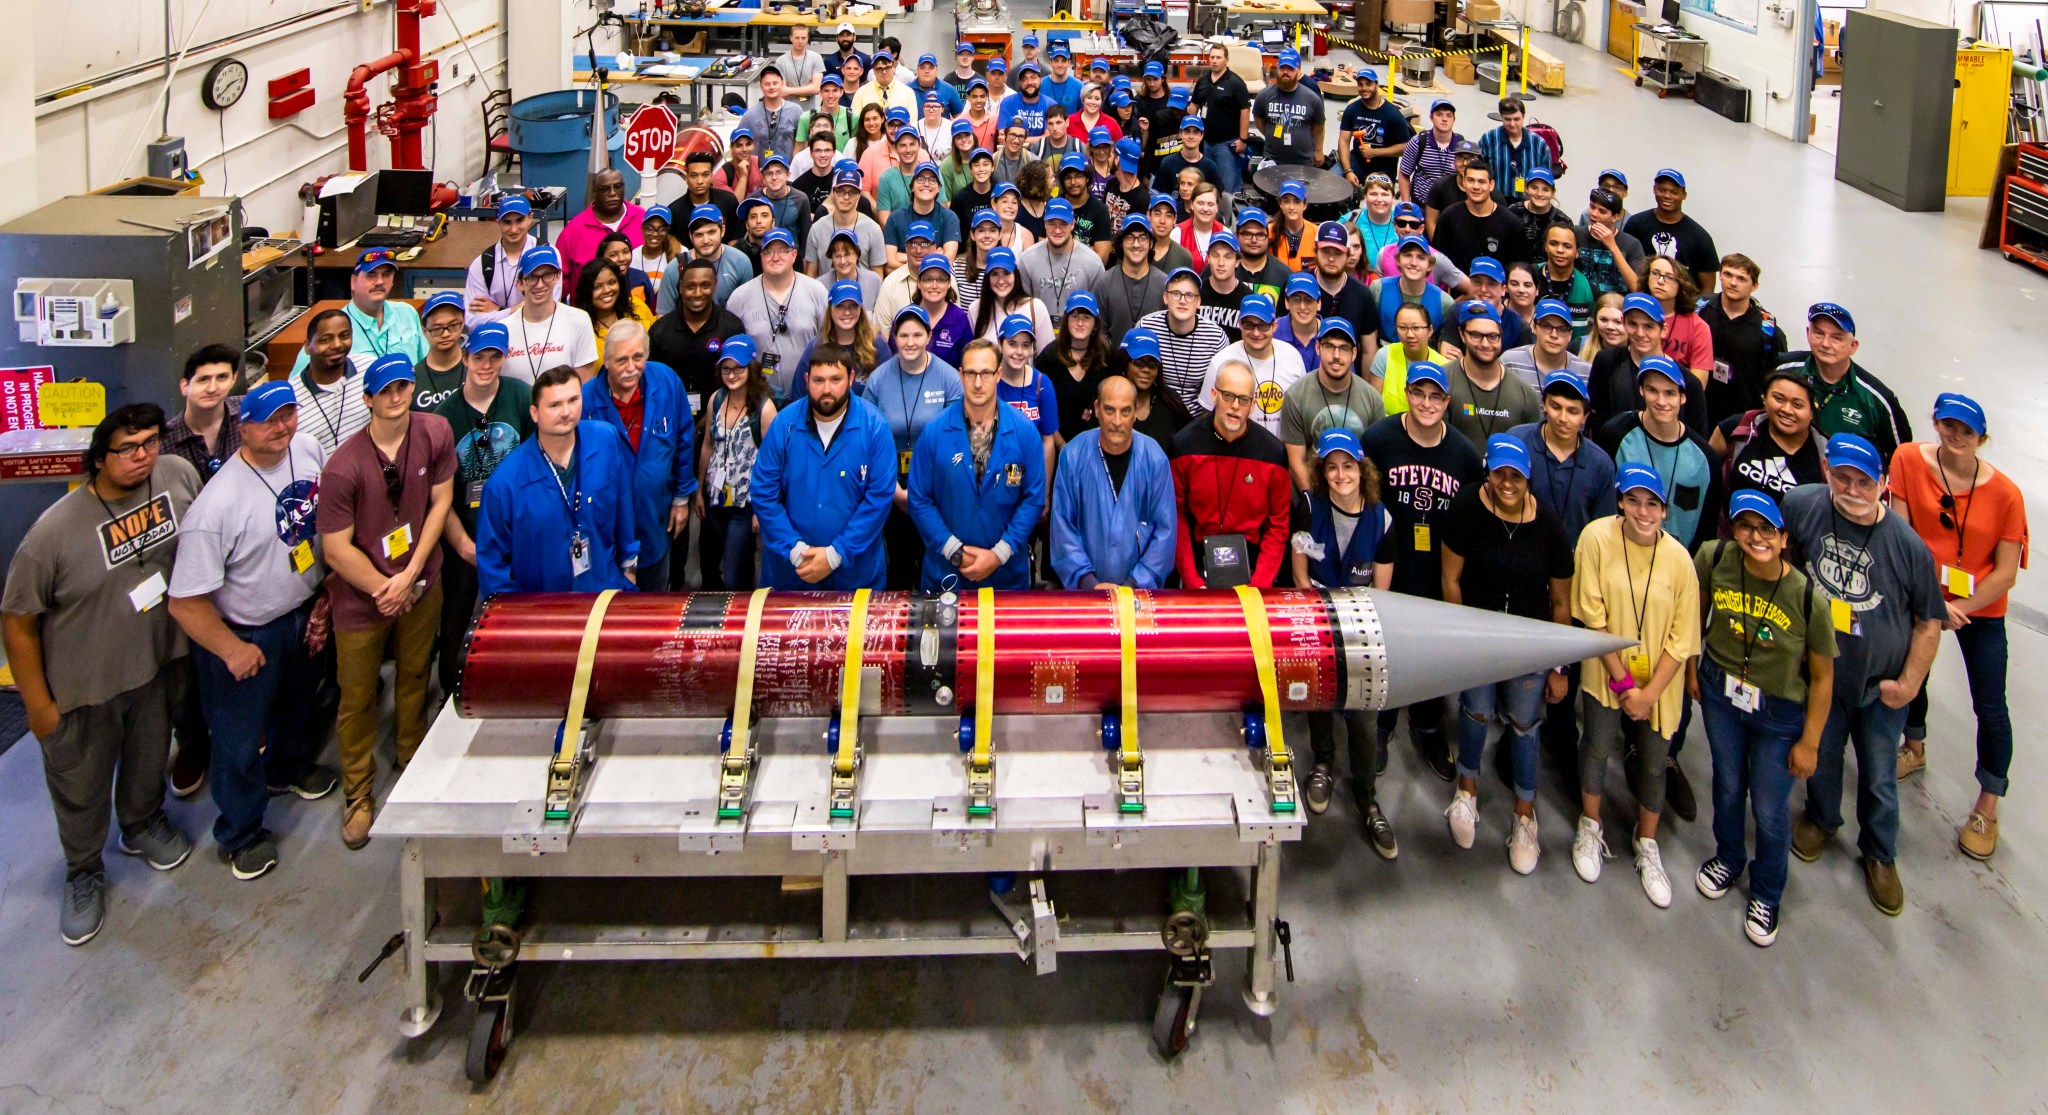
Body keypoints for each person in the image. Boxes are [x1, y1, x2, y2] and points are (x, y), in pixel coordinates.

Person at [4, 404, 200, 943]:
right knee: (81, 786)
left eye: (152, 442)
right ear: (98, 459)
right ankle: (83, 870)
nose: (143, 456)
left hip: (155, 666)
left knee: (147, 760)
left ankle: (140, 825)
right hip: (83, 689)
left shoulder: (177, 475)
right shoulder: (53, 535)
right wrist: (40, 709)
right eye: (127, 448)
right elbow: (18, 621)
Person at [167, 381, 340, 883]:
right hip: (247, 633)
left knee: (297, 706)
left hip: (302, 612)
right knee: (238, 742)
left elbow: (317, 520)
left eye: (289, 415)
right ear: (241, 429)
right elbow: (184, 603)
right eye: (270, 421)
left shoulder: (306, 449)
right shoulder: (215, 508)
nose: (283, 427)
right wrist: (231, 650)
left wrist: (324, 588)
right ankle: (240, 832)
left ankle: (287, 770)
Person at [1779, 436, 1945, 916]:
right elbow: (1786, 569)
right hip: (1821, 677)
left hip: (1879, 689)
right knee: (1822, 756)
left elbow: (1928, 623)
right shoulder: (1802, 505)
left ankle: (1879, 852)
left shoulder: (1908, 547)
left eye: (1864, 481)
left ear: (1884, 486)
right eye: (1842, 477)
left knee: (1877, 777)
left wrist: (1909, 684)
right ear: (1828, 471)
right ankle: (1821, 818)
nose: (1852, 489)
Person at [315, 355, 454, 849]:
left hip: (420, 582)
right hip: (361, 600)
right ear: (367, 398)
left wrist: (413, 573)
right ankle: (358, 791)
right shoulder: (343, 466)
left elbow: (441, 501)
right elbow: (335, 548)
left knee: (417, 671)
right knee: (357, 697)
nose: (398, 396)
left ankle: (410, 750)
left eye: (404, 386)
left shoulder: (435, 431)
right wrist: (384, 587)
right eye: (386, 390)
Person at [1689, 490, 1837, 946]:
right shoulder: (1714, 558)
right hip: (1721, 693)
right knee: (1728, 783)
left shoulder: (1807, 597)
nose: (1755, 537)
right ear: (1733, 529)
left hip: (1779, 711)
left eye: (1766, 529)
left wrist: (1810, 742)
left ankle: (1768, 892)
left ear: (1783, 538)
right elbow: (1695, 608)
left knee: (1771, 807)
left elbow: (1823, 677)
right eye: (1745, 527)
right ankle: (1729, 857)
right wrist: (1696, 667)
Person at [1887, 395, 2027, 861]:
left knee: (1990, 702)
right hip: (1923, 595)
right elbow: (1901, 534)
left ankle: (1988, 801)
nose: (1955, 436)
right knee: (1915, 671)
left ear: (1981, 439)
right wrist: (1931, 603)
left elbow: (2005, 572)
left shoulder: (2006, 495)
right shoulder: (1908, 459)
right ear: (1936, 424)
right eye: (1948, 426)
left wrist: (1960, 606)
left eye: (1967, 432)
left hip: (1979, 608)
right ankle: (1914, 744)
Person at [1568, 462, 1701, 907]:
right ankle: (1591, 826)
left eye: (1652, 504)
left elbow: (1683, 641)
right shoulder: (1596, 539)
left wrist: (1647, 695)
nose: (1642, 512)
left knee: (1653, 764)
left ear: (1664, 511)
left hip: (1659, 687)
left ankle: (1647, 843)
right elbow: (1591, 614)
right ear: (1620, 502)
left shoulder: (1680, 560)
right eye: (1633, 501)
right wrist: (1625, 682)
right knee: (1597, 747)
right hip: (1608, 674)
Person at [1439, 434, 1574, 872]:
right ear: (1489, 473)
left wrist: (1559, 666)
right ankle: (1467, 792)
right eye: (1500, 474)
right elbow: (1451, 580)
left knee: (1524, 725)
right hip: (1479, 639)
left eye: (1516, 476)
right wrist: (1460, 643)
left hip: (1527, 644)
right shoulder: (1466, 508)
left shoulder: (1549, 524)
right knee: (1474, 712)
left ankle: (1524, 815)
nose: (1507, 483)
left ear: (1528, 478)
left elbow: (1561, 603)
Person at [1360, 363, 1484, 778]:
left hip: (1440, 567)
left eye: (1436, 396)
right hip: (1391, 561)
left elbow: (1470, 518)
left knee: (1432, 647)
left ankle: (1428, 723)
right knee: (1386, 645)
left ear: (1447, 402)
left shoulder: (1464, 454)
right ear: (1407, 394)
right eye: (1419, 393)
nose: (1426, 403)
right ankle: (1382, 721)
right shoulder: (1379, 438)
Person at [473, 366, 638, 594]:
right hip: (543, 608)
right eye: (554, 405)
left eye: (573, 400)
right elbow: (492, 565)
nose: (566, 412)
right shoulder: (505, 483)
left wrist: (629, 566)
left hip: (604, 591)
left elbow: (624, 507)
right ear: (534, 412)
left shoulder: (606, 440)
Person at [751, 344, 899, 589]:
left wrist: (836, 554)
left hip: (855, 576)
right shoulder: (784, 424)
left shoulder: (874, 426)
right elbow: (763, 494)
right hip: (793, 573)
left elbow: (879, 499)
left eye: (835, 379)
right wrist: (796, 551)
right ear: (807, 380)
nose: (827, 389)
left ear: (851, 379)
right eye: (819, 380)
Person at [905, 339, 1046, 589]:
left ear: (999, 375)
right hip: (946, 576)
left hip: (1007, 577)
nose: (978, 383)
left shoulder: (1024, 432)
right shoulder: (935, 432)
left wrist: (999, 554)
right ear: (960, 375)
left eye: (985, 373)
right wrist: (952, 550)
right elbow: (919, 499)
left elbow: (1033, 499)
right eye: (971, 373)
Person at [432, 322, 529, 676]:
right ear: (464, 357)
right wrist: (462, 545)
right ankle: (450, 689)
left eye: (495, 357)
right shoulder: (444, 418)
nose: (486, 365)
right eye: (478, 357)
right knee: (456, 617)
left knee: (518, 615)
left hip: (516, 534)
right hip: (466, 536)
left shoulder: (521, 397)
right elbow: (439, 496)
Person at [580, 323, 696, 590]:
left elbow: (683, 440)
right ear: (606, 361)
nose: (631, 367)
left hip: (655, 518)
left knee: (655, 603)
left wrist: (681, 500)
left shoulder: (667, 382)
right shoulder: (585, 401)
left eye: (638, 357)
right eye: (621, 360)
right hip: (604, 527)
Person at [1050, 372, 1178, 590]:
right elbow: (1063, 528)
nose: (1117, 421)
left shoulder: (1155, 459)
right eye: (1109, 410)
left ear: (1135, 411)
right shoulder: (1072, 456)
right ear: (1097, 408)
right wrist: (1088, 583)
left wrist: (1133, 585)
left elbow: (1164, 534)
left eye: (1125, 411)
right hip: (1085, 596)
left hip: (1140, 595)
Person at [1171, 361, 1293, 588]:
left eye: (1243, 399)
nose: (1235, 406)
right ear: (1214, 394)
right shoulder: (1184, 445)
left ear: (1253, 404)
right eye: (1228, 396)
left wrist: (1259, 585)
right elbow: (1177, 517)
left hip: (1254, 571)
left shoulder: (1272, 452)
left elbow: (1278, 526)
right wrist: (1192, 580)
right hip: (1198, 569)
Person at [1596, 353, 1722, 552]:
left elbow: (1706, 529)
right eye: (1653, 390)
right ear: (1641, 391)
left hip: (1679, 565)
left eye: (1670, 393)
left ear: (1683, 397)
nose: (1661, 401)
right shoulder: (1615, 435)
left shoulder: (1706, 459)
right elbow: (1603, 504)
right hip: (1621, 553)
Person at [1773, 302, 1912, 458]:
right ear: (1807, 333)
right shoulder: (1781, 369)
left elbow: (1903, 458)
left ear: (1853, 346)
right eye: (1819, 333)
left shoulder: (1878, 400)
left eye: (1836, 338)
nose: (1825, 344)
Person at [692, 338, 777, 591]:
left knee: (734, 573)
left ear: (751, 368)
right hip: (716, 497)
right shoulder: (716, 400)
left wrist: (762, 510)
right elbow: (708, 445)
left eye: (738, 368)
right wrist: (699, 491)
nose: (732, 374)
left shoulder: (764, 408)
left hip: (746, 503)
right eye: (726, 368)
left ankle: (743, 620)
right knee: (713, 566)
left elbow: (773, 463)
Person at [1280, 318, 1386, 489]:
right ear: (1317, 348)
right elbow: (1296, 463)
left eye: (1343, 348)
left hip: (1356, 496)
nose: (1336, 356)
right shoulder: (1296, 396)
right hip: (1312, 493)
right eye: (1329, 346)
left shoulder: (1373, 400)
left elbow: (1375, 462)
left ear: (1354, 354)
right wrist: (1317, 504)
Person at [289, 249, 424, 379]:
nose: (379, 282)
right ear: (353, 282)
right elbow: (296, 388)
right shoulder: (332, 329)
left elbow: (426, 366)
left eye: (386, 274)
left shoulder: (407, 314)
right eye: (371, 275)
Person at [729, 227, 830, 400]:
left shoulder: (816, 291)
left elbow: (828, 344)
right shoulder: (739, 297)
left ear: (794, 255)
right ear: (761, 256)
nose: (775, 257)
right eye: (768, 252)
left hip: (808, 396)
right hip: (757, 399)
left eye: (783, 251)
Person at [1588, 293, 1705, 434]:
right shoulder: (1606, 362)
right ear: (1624, 322)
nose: (1640, 333)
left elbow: (1696, 441)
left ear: (1663, 330)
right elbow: (1597, 421)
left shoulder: (1688, 382)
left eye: (1649, 326)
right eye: (1633, 324)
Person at [1712, 369, 1825, 507]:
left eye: (1797, 405)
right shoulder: (1737, 427)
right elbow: (1705, 471)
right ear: (1764, 398)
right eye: (1778, 398)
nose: (1787, 410)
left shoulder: (1825, 455)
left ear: (1811, 412)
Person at [1698, 253, 1786, 428]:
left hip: (1744, 418)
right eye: (1728, 274)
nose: (1733, 282)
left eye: (1741, 278)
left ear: (1754, 286)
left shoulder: (1768, 329)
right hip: (1702, 411)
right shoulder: (1698, 312)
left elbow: (1777, 376)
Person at [1200, 294, 1307, 438]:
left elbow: (1301, 412)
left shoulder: (1292, 357)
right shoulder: (1220, 362)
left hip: (1283, 452)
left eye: (1263, 325)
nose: (1256, 333)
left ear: (1274, 326)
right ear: (1240, 325)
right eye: (1249, 325)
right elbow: (1206, 415)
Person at [1130, 266, 1230, 415]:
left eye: (1190, 295)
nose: (1183, 301)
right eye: (1176, 293)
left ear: (1198, 302)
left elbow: (1222, 389)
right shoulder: (1146, 327)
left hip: (1197, 419)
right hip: (1154, 412)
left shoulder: (1216, 337)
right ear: (1165, 298)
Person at [648, 258, 747, 406]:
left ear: (715, 285)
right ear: (680, 287)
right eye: (690, 286)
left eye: (705, 286)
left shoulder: (732, 327)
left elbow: (740, 378)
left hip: (719, 414)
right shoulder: (660, 330)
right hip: (670, 414)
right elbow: (652, 381)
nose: (697, 293)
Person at [1445, 301, 1542, 445]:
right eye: (1476, 335)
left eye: (1492, 336)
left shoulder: (1525, 394)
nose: (1485, 344)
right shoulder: (1442, 381)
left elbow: (1535, 447)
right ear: (1462, 334)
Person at [1623, 169, 1718, 294]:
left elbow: (1708, 289)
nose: (1667, 196)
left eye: (1674, 192)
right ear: (1654, 189)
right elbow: (1623, 265)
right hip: (1641, 301)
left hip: (1682, 307)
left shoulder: (1700, 237)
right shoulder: (1635, 224)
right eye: (1662, 190)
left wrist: (1689, 310)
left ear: (1684, 195)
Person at [293, 308, 374, 452]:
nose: (337, 345)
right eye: (325, 339)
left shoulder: (370, 368)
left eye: (344, 336)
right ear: (307, 346)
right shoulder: (292, 397)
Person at [555, 168, 644, 295]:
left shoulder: (643, 220)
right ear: (594, 192)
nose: (612, 193)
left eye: (617, 186)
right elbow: (560, 282)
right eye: (605, 189)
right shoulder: (572, 231)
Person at [465, 196, 553, 324]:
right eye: (507, 222)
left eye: (519, 220)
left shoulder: (549, 256)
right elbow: (473, 321)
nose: (513, 229)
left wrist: (499, 310)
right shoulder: (481, 264)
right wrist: (514, 310)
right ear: (498, 222)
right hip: (498, 340)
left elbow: (547, 312)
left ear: (530, 218)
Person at [1430, 160, 1530, 271]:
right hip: (1457, 287)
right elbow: (1438, 262)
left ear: (1491, 185)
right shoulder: (1448, 218)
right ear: (1464, 182)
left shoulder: (1511, 224)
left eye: (1482, 181)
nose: (1476, 186)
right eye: (1470, 180)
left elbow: (1520, 268)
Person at [163, 344, 243, 484]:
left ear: (233, 379)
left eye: (222, 377)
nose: (212, 388)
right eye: (203, 379)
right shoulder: (165, 441)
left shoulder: (249, 414)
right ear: (185, 386)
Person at [1037, 289, 1108, 438]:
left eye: (1087, 317)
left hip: (1096, 443)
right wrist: (1062, 446)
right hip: (1057, 442)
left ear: (1095, 323)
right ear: (1066, 320)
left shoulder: (1106, 356)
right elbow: (1040, 407)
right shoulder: (1049, 357)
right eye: (1075, 316)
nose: (1080, 323)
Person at [1090, 214, 1169, 345]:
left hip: (1151, 364)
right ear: (1121, 243)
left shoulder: (1164, 284)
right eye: (1130, 238)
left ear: (1151, 243)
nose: (1136, 244)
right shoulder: (1104, 282)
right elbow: (1098, 330)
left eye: (1143, 238)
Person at [1367, 236, 1452, 354]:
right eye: (1407, 255)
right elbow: (1368, 342)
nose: (1413, 263)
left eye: (1421, 258)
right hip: (1384, 366)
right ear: (1398, 260)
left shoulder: (1444, 302)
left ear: (1430, 265)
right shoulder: (1378, 289)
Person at [804, 167, 888, 276]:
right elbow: (811, 276)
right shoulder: (817, 228)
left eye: (852, 192)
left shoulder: (873, 229)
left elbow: (877, 277)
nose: (846, 197)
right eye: (840, 191)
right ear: (833, 192)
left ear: (859, 195)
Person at [1644, 255, 1713, 388]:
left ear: (1680, 285)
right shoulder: (1633, 315)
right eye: (1655, 274)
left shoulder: (1698, 326)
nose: (1660, 281)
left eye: (1669, 277)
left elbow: (1697, 386)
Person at [1192, 43, 1252, 193]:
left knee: (1228, 188)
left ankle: (1229, 215)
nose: (1214, 60)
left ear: (1227, 60)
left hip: (1227, 144)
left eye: (1218, 57)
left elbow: (1245, 112)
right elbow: (1193, 107)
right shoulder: (1203, 81)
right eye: (1212, 57)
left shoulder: (1235, 83)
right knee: (1208, 186)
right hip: (1206, 142)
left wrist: (1243, 140)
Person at [1366, 301, 1443, 418]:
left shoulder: (1444, 366)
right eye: (1402, 328)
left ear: (1430, 330)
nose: (1410, 334)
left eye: (1416, 328)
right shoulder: (1385, 355)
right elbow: (1373, 407)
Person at [1250, 48, 1324, 167]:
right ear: (1277, 69)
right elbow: (1259, 121)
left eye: (1290, 69)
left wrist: (1318, 150)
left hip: (1303, 160)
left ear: (1298, 70)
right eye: (1282, 68)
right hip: (1272, 160)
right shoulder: (1264, 95)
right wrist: (1271, 133)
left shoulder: (1312, 98)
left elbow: (1318, 127)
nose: (1285, 72)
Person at [968, 246, 1053, 348]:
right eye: (994, 274)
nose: (1001, 281)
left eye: (1006, 273)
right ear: (988, 278)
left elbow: (1047, 357)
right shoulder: (975, 309)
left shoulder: (1036, 307)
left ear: (1015, 275)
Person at [1341, 67, 1412, 186]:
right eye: (1360, 84)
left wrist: (1374, 152)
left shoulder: (1392, 114)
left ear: (1377, 85)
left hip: (1383, 170)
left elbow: (1405, 147)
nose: (1364, 88)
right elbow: (1343, 141)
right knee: (1334, 178)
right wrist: (1348, 171)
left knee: (1378, 196)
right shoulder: (1352, 110)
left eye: (1368, 84)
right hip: (1356, 163)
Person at [1475, 96, 1553, 203]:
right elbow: (1477, 171)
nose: (1512, 124)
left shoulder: (1539, 144)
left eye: (1516, 119)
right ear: (1501, 117)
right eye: (1507, 119)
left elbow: (1546, 179)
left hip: (1528, 202)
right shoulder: (1488, 140)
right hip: (1495, 201)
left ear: (1523, 116)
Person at [575, 259, 656, 360]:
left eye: (612, 283)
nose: (607, 290)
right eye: (597, 287)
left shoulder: (636, 305)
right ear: (586, 291)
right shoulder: (580, 325)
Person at [1528, 223, 1594, 348]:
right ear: (1545, 247)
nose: (1559, 250)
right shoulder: (1528, 277)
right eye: (1553, 244)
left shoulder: (1588, 288)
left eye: (1567, 246)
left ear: (1577, 253)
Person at [1503, 299, 1591, 389]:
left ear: (1570, 335)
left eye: (1562, 329)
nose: (1554, 335)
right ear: (1534, 327)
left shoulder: (1586, 372)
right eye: (1546, 326)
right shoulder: (1509, 362)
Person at [1576, 188, 1645, 298]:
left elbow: (1637, 288)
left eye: (1602, 211)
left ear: (1616, 217)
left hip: (1616, 307)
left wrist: (1613, 247)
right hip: (1581, 303)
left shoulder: (1632, 244)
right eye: (1592, 207)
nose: (1594, 214)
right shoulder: (1575, 234)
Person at [412, 292, 469, 412]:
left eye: (453, 325)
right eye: (437, 328)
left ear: (463, 323)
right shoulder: (413, 379)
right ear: (424, 330)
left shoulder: (477, 368)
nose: (446, 334)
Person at [1398, 99, 1463, 204]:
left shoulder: (1461, 146)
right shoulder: (1418, 142)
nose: (1444, 119)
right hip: (1421, 205)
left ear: (1454, 120)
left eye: (1449, 115)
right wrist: (1406, 205)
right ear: (1431, 118)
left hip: (1449, 207)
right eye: (1439, 114)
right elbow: (1404, 174)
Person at [1509, 167, 1575, 265]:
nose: (1539, 194)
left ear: (1552, 192)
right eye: (1534, 188)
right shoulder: (1512, 213)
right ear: (1526, 188)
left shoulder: (1563, 221)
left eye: (1545, 189)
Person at [742, 65, 805, 162]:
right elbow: (740, 144)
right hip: (759, 172)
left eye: (775, 83)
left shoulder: (796, 111)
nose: (771, 87)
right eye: (767, 84)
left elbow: (803, 143)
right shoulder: (750, 116)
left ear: (782, 84)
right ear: (761, 86)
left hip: (788, 172)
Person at [1198, 230, 1248, 337]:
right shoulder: (1195, 292)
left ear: (1237, 262)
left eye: (1228, 257)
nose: (1221, 263)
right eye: (1215, 255)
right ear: (1209, 258)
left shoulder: (1247, 299)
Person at [766, 25, 826, 104]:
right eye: (797, 38)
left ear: (807, 38)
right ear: (791, 38)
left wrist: (789, 90)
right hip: (787, 110)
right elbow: (782, 92)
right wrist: (808, 88)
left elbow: (816, 89)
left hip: (809, 111)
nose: (800, 41)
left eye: (803, 38)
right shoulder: (781, 61)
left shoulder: (816, 58)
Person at [1277, 272, 1324, 372]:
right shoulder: (1272, 332)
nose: (1302, 307)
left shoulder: (1333, 333)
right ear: (1286, 302)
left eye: (1309, 299)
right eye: (1296, 299)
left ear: (1319, 303)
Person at [852, 49, 917, 119]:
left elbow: (912, 124)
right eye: (879, 69)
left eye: (887, 68)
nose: (884, 72)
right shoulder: (861, 93)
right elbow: (855, 122)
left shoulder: (908, 93)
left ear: (893, 68)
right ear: (873, 71)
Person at [1581, 292, 1628, 364]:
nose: (1610, 327)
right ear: (1596, 320)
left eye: (1618, 322)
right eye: (1603, 320)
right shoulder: (1579, 345)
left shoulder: (1641, 354)